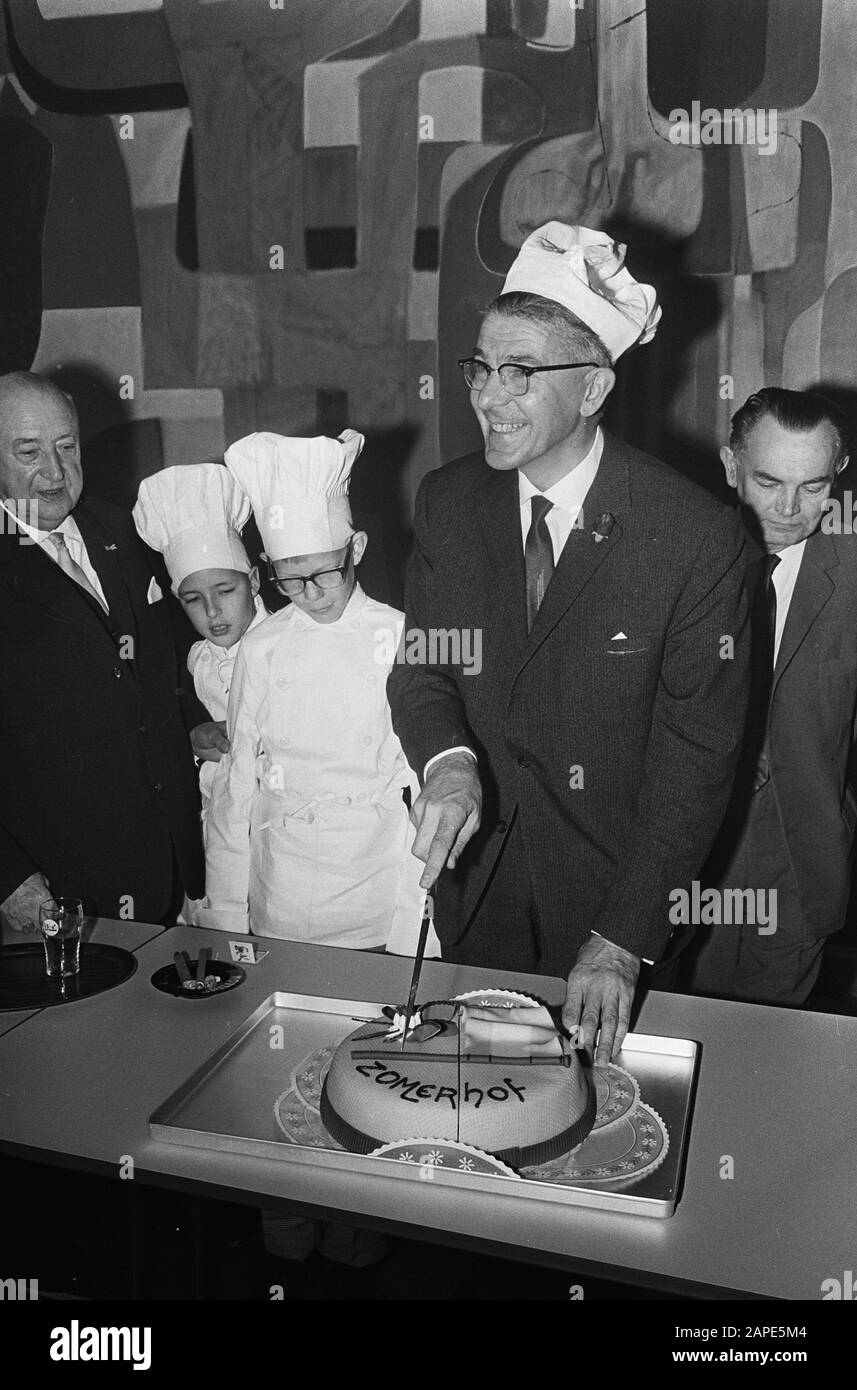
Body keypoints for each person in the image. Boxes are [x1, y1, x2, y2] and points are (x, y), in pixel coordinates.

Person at [387, 221, 751, 1061]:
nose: (487, 395)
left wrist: (622, 940)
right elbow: (424, 669)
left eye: (521, 373)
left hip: (613, 919)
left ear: (591, 390)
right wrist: (448, 760)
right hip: (479, 899)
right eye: (481, 367)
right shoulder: (449, 502)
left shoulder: (694, 538)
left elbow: (695, 763)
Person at [201, 428, 435, 955]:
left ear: (357, 548)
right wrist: (226, 915)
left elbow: (420, 784)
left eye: (325, 574)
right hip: (277, 886)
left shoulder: (402, 636)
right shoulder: (261, 646)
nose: (309, 594)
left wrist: (412, 925)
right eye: (290, 579)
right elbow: (237, 783)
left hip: (367, 887)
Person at [0, 372, 205, 930]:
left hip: (169, 869)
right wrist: (8, 878)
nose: (55, 471)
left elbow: (163, 668)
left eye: (67, 446)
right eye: (28, 451)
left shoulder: (120, 528)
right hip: (53, 888)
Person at [682, 388, 856, 1005]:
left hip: (797, 861)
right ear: (730, 466)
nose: (789, 508)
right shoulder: (674, 552)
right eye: (768, 480)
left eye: (813, 487)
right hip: (681, 857)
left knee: (764, 1062)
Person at [133, 463, 269, 839]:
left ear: (254, 581)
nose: (212, 612)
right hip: (218, 822)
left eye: (225, 592)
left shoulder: (285, 646)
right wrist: (195, 737)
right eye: (193, 599)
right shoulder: (196, 661)